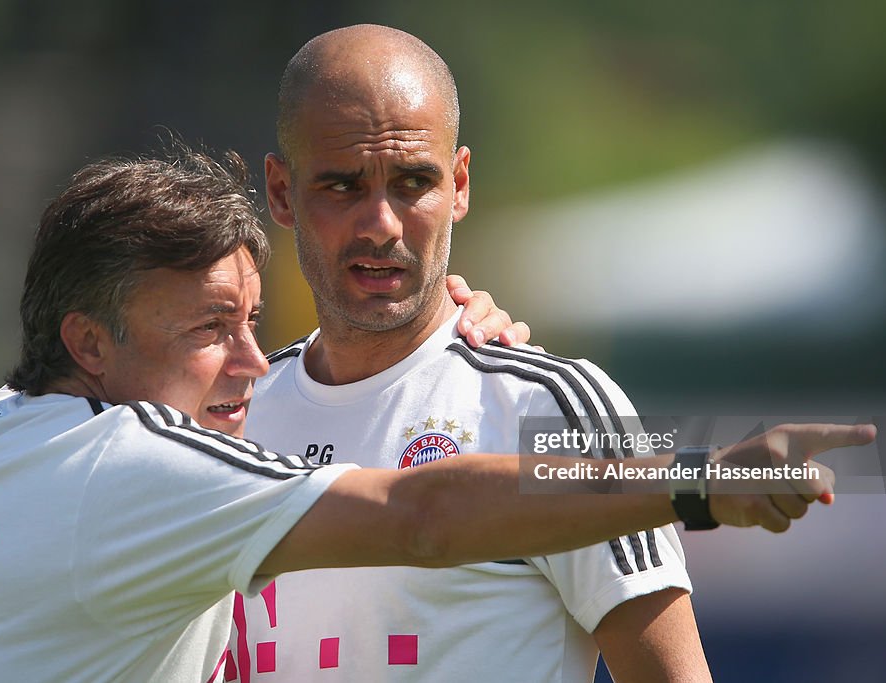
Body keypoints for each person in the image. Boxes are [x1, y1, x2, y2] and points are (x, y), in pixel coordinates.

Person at [0, 142, 870, 682]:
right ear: (88, 343)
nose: (249, 359)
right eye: (209, 330)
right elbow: (423, 513)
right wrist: (697, 476)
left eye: (410, 181)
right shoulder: (144, 461)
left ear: (459, 184)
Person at [234, 25, 790, 681]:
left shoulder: (547, 409)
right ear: (280, 191)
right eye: (342, 186)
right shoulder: (227, 418)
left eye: (413, 181)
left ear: (460, 184)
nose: (381, 223)